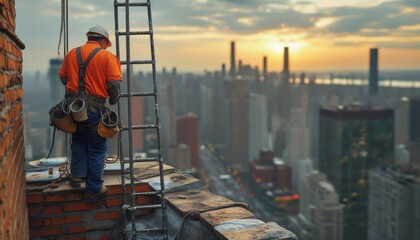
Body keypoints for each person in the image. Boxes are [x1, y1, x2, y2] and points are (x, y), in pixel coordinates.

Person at [59, 26, 122, 196]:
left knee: (78, 141)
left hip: (75, 109)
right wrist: (113, 99)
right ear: (103, 41)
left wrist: (77, 86)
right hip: (96, 108)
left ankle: (77, 179)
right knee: (97, 147)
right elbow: (114, 84)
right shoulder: (107, 56)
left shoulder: (72, 53)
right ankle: (94, 188)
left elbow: (63, 78)